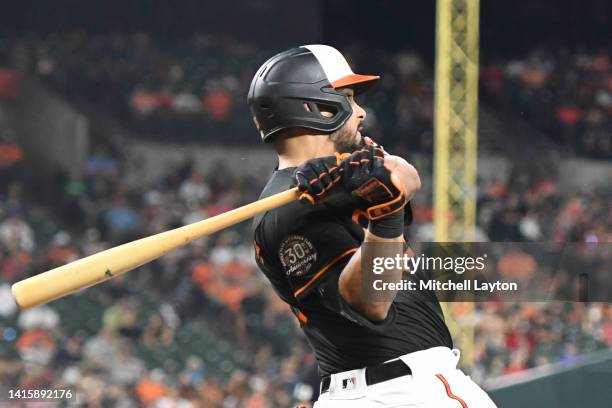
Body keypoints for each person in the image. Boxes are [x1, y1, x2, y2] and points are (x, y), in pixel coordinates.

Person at [249, 44, 497, 407]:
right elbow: (371, 303)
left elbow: (406, 178)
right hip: (401, 391)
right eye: (347, 97)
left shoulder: (348, 169)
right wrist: (386, 215)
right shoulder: (290, 209)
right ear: (314, 106)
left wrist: (382, 181)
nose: (361, 111)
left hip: (373, 390)